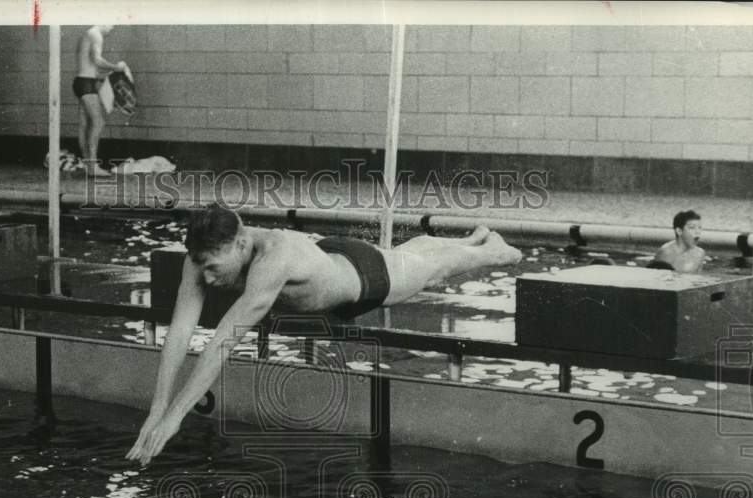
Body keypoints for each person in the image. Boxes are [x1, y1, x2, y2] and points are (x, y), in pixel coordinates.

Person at [127, 203, 523, 465]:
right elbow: (179, 332)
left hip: (362, 281)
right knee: (410, 255)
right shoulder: (199, 259)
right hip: (329, 255)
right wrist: (156, 409)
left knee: (433, 269)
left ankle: (493, 249)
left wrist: (175, 418)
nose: (208, 278)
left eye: (214, 267)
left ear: (242, 242)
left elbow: (219, 345)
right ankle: (469, 238)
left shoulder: (272, 261)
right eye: (203, 268)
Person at [74, 25, 128, 176]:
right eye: (112, 25)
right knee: (98, 122)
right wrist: (116, 67)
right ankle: (93, 167)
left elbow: (89, 66)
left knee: (84, 125)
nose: (112, 29)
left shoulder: (87, 34)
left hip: (82, 81)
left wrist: (107, 74)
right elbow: (97, 60)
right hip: (86, 84)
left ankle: (88, 165)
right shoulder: (96, 34)